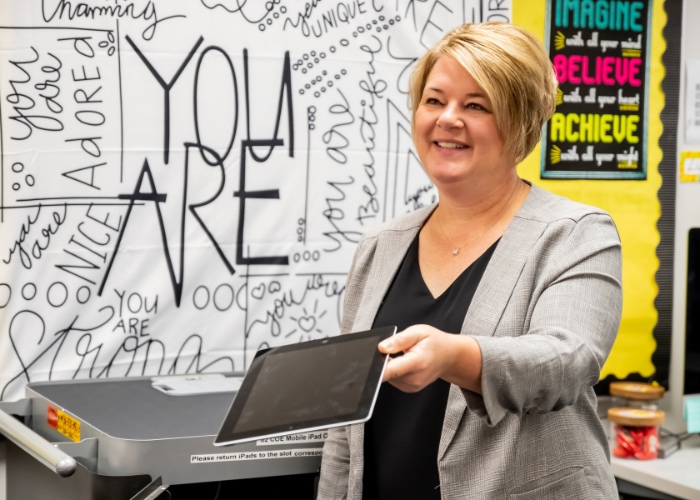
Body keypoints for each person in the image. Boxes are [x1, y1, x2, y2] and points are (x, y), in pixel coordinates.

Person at [317, 21, 622, 500]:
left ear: (521, 122)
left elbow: (567, 361)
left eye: (476, 105)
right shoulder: (381, 246)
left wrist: (456, 357)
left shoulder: (576, 233)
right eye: (434, 100)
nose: (447, 119)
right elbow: (347, 426)